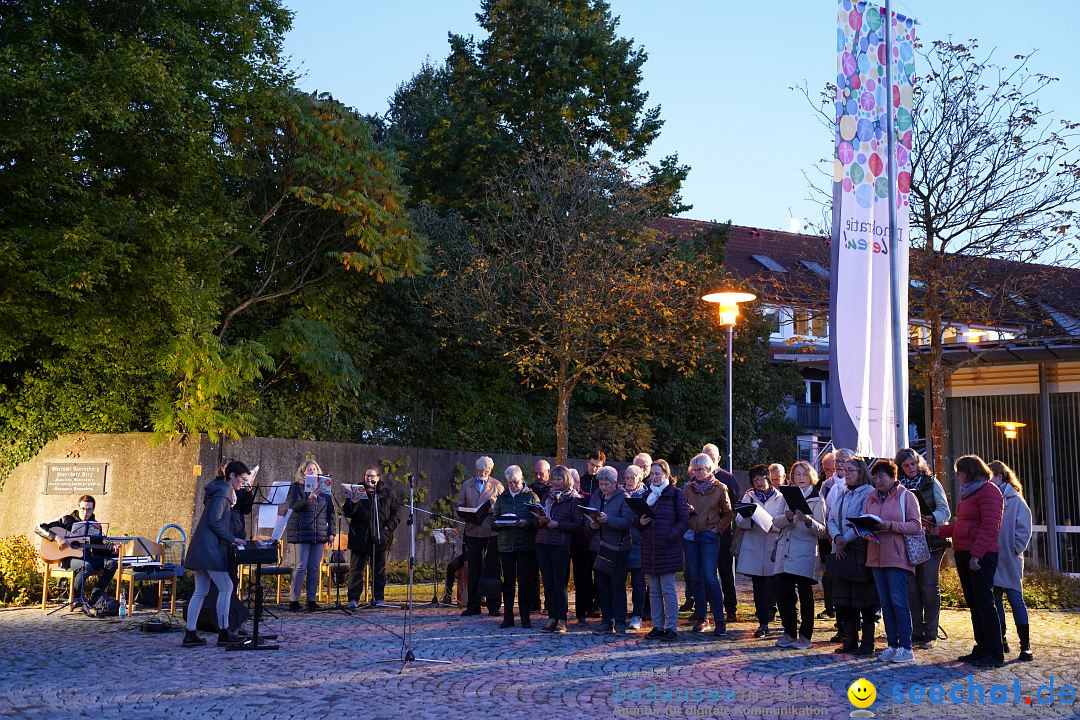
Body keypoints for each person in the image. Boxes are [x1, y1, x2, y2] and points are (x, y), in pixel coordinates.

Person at [932, 454, 1005, 668]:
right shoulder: (970, 493)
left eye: (959, 472)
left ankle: (994, 651)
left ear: (970, 472)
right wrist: (939, 530)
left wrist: (977, 555)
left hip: (979, 555)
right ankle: (981, 647)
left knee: (985, 603)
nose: (957, 477)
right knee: (975, 604)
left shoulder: (989, 492)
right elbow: (964, 525)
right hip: (965, 552)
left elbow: (990, 527)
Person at [181, 460, 249, 646]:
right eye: (242, 479)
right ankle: (224, 631)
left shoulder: (218, 488)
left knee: (201, 590)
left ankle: (190, 633)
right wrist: (232, 538)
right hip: (210, 547)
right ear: (232, 476)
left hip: (201, 545)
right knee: (226, 587)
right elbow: (214, 521)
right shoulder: (225, 490)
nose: (242, 483)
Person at [864, 459, 922, 663]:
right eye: (875, 476)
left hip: (897, 557)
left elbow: (916, 525)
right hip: (875, 556)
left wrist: (889, 526)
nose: (877, 480)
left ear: (893, 477)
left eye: (882, 475)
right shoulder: (870, 497)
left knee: (899, 602)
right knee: (886, 603)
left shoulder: (906, 496)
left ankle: (906, 647)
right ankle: (892, 645)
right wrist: (863, 529)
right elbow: (867, 522)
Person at [895, 447, 951, 649]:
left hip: (930, 541)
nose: (911, 468)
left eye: (913, 463)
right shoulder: (898, 487)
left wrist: (930, 518)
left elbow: (945, 511)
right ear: (900, 468)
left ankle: (931, 632)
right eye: (906, 465)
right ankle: (916, 631)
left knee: (928, 586)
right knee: (911, 588)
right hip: (906, 540)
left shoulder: (931, 482)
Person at [772, 461, 827, 650]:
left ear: (810, 476)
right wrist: (787, 518)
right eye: (797, 474)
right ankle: (789, 632)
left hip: (805, 551)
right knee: (784, 593)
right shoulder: (786, 496)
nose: (800, 478)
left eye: (804, 474)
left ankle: (805, 635)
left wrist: (808, 520)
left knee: (805, 595)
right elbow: (775, 523)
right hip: (785, 550)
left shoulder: (817, 499)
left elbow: (822, 530)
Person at [827, 455, 879, 656]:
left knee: (864, 600)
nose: (845, 474)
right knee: (843, 599)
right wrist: (837, 537)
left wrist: (845, 539)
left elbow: (863, 521)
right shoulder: (842, 493)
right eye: (844, 470)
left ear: (861, 473)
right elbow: (831, 518)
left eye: (850, 471)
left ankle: (867, 643)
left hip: (859, 550)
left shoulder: (869, 494)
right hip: (841, 551)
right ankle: (849, 641)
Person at [682, 453, 734, 637]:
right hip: (691, 535)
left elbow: (729, 513)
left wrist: (717, 530)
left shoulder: (720, 488)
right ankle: (702, 617)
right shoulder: (688, 488)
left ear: (709, 469)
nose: (696, 473)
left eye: (700, 470)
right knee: (694, 576)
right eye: (694, 470)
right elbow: (680, 509)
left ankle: (720, 619)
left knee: (710, 576)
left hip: (709, 535)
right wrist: (687, 512)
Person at [36, 495, 118, 611]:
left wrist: (112, 550)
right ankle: (78, 599)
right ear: (78, 507)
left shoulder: (95, 525)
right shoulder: (66, 520)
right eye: (83, 508)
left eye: (89, 509)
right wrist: (57, 538)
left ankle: (93, 599)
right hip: (66, 559)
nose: (85, 512)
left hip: (86, 557)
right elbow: (39, 528)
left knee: (112, 564)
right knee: (86, 566)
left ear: (93, 509)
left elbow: (99, 549)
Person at [639, 459, 690, 641]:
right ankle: (657, 626)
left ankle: (672, 627)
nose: (654, 477)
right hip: (650, 549)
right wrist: (641, 523)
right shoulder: (646, 496)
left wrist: (669, 536)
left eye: (657, 474)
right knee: (653, 590)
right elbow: (639, 523)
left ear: (666, 475)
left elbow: (684, 521)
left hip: (668, 548)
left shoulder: (676, 494)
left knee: (667, 589)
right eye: (652, 474)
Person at [990, 460, 1033, 662]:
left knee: (1016, 600)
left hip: (1009, 558)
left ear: (999, 477)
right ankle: (1001, 639)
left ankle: (1025, 645)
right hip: (993, 557)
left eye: (991, 478)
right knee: (995, 601)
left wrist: (1014, 548)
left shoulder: (1016, 501)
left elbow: (1024, 530)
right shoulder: (991, 499)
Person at [584, 466, 636, 634]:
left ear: (615, 483)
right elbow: (587, 518)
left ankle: (619, 621)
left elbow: (628, 521)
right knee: (602, 586)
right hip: (598, 546)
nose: (603, 487)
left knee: (617, 585)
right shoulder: (596, 496)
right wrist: (591, 524)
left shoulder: (624, 497)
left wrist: (608, 519)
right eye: (600, 483)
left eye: (606, 483)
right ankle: (606, 621)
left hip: (618, 548)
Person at [735, 464, 784, 637]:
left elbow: (785, 521)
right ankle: (762, 623)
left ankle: (780, 618)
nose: (759, 483)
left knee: (776, 586)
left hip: (773, 545)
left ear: (768, 478)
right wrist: (750, 519)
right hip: (754, 546)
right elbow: (739, 520)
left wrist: (772, 525)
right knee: (758, 587)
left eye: (761, 479)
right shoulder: (749, 496)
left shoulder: (780, 497)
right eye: (755, 480)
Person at [343, 465, 401, 608]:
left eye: (372, 476)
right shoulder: (356, 490)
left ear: (378, 478)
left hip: (381, 537)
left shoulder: (386, 492)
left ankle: (378, 598)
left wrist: (387, 528)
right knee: (356, 569)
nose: (369, 478)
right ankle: (353, 599)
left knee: (379, 570)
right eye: (367, 475)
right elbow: (347, 512)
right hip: (360, 537)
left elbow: (397, 512)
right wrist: (353, 502)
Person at [534, 465, 582, 633]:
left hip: (560, 543)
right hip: (542, 541)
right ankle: (552, 617)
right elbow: (537, 517)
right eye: (553, 479)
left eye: (559, 479)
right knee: (547, 582)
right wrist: (539, 520)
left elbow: (577, 524)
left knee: (559, 583)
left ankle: (562, 619)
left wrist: (558, 525)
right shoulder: (547, 496)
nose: (555, 482)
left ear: (566, 479)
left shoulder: (574, 499)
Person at [493, 465, 539, 628]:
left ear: (522, 479)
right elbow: (494, 519)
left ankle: (525, 617)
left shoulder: (531, 496)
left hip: (525, 545)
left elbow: (538, 520)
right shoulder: (502, 498)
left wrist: (526, 523)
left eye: (516, 482)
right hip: (506, 545)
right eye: (510, 482)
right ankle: (508, 617)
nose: (513, 485)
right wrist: (498, 524)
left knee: (525, 583)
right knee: (508, 583)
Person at [457, 456, 504, 617]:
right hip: (473, 531)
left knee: (493, 568)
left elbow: (504, 507)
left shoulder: (497, 485)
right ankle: (473, 605)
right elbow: (459, 506)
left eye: (486, 471)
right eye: (480, 470)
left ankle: (493, 605)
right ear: (475, 469)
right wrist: (466, 513)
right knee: (474, 568)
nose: (483, 473)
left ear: (491, 470)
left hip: (492, 532)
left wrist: (494, 510)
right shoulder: (467, 485)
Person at [287, 459, 335, 611]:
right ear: (303, 472)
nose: (312, 472)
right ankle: (294, 600)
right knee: (301, 567)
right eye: (309, 470)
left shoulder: (325, 491)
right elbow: (294, 506)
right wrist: (308, 499)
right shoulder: (297, 487)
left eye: (314, 469)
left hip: (319, 533)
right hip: (302, 531)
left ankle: (311, 600)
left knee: (314, 568)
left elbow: (331, 513)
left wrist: (332, 532)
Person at [704, 443, 740, 622]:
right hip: (703, 532)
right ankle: (710, 607)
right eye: (705, 456)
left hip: (723, 532)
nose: (708, 459)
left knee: (725, 571)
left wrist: (721, 526)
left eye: (711, 456)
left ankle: (731, 608)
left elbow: (733, 507)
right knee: (707, 572)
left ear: (718, 459)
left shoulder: (727, 478)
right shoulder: (697, 479)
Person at [621, 464, 649, 630]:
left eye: (633, 478)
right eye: (627, 478)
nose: (629, 481)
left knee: (638, 583)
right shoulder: (620, 494)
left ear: (640, 478)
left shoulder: (646, 495)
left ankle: (637, 614)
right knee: (619, 582)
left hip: (639, 544)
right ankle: (620, 613)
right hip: (622, 543)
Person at [816, 451, 838, 622]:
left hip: (841, 535)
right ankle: (830, 607)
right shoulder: (823, 484)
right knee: (827, 574)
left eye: (831, 469)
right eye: (825, 470)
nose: (828, 473)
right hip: (825, 536)